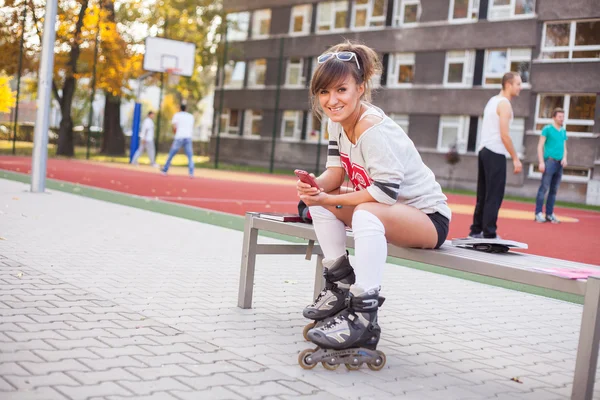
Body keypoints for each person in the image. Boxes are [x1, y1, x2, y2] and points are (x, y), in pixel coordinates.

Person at [295, 41, 451, 369]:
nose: (332, 100)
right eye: (324, 92)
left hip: (427, 218)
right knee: (320, 208)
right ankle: (340, 283)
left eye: (341, 89)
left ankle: (363, 314)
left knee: (363, 210)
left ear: (360, 88)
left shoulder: (372, 128)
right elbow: (335, 174)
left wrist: (331, 197)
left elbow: (384, 194)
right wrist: (314, 188)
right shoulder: (336, 123)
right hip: (387, 212)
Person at [468, 72, 523, 239]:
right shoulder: (504, 104)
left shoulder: (492, 101)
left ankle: (476, 230)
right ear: (508, 84)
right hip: (495, 152)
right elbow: (504, 135)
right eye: (518, 84)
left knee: (483, 193)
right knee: (494, 194)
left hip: (484, 150)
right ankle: (489, 232)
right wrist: (515, 158)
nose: (520, 87)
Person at [535, 108, 567, 224]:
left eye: (563, 116)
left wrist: (565, 158)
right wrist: (541, 162)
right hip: (549, 162)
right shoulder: (547, 129)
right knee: (543, 188)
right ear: (554, 117)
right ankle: (538, 213)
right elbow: (540, 146)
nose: (562, 118)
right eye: (560, 116)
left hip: (559, 164)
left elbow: (564, 147)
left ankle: (549, 214)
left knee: (554, 190)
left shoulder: (563, 131)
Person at [161, 104, 195, 177]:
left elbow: (174, 127)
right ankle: (191, 173)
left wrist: (176, 133)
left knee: (171, 154)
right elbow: (191, 126)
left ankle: (165, 170)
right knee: (190, 156)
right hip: (188, 137)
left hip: (179, 137)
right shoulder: (190, 116)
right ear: (186, 109)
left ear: (180, 108)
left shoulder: (177, 115)